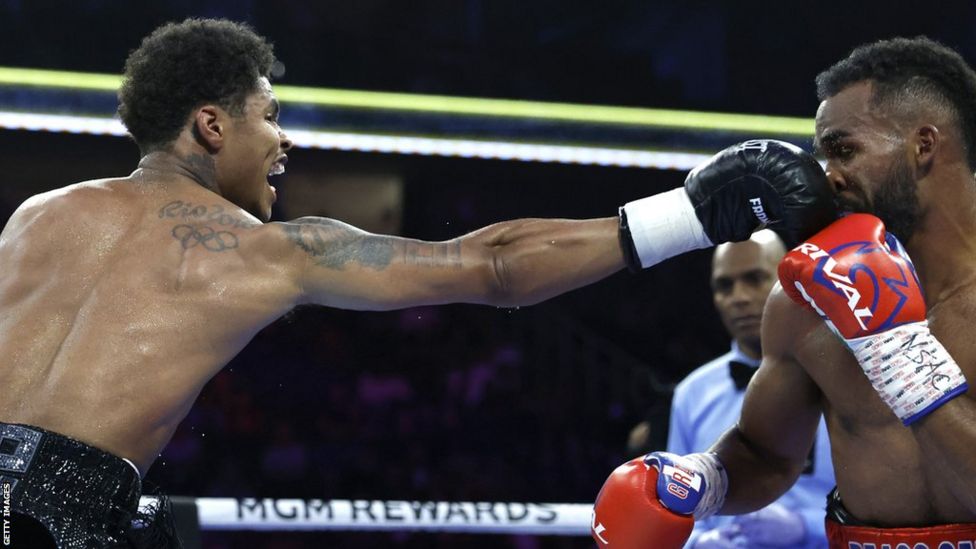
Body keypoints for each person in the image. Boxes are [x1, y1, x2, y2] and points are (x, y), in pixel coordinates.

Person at [0, 18, 835, 548]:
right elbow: (493, 267)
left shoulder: (35, 216)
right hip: (64, 517)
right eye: (269, 115)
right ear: (211, 124)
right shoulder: (265, 250)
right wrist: (689, 213)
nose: (284, 142)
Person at [591, 36, 976, 549]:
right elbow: (765, 454)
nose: (828, 177)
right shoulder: (808, 302)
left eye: (844, 149)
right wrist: (702, 481)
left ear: (923, 144)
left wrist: (901, 357)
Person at [667, 230, 833, 548]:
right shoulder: (692, 394)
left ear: (789, 281)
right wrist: (702, 543)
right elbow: (676, 504)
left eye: (754, 278)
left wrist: (807, 527)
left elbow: (884, 504)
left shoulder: (840, 378)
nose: (738, 297)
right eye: (724, 286)